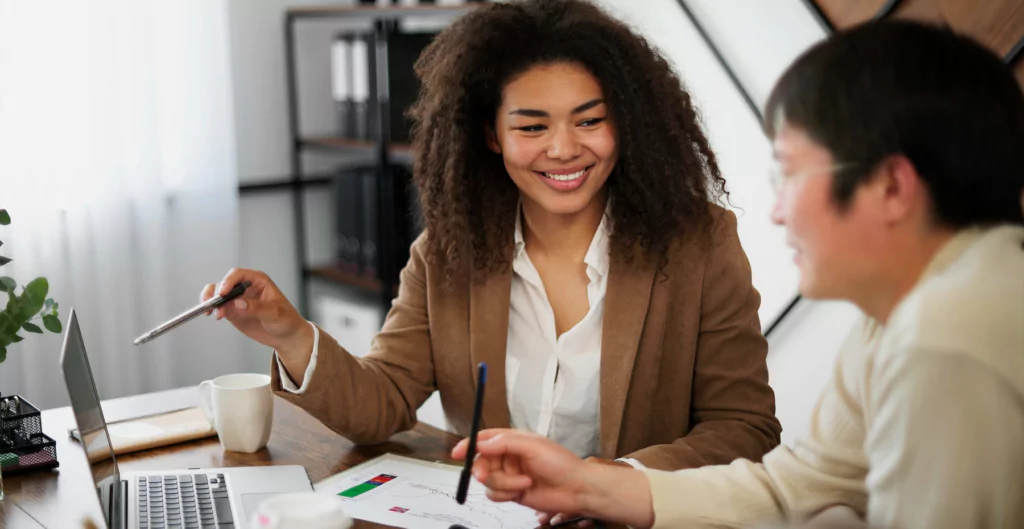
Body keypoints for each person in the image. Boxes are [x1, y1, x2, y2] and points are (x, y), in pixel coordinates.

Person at [453, 19, 1024, 529]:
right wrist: (584, 485)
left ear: (891, 187)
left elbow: (755, 441)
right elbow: (798, 486)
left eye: (790, 174)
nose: (776, 211)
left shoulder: (945, 334)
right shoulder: (907, 315)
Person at [201, 0, 781, 472]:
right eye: (532, 126)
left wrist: (613, 483)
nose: (563, 149)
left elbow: (744, 424)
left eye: (589, 120)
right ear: (492, 136)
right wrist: (290, 333)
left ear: (625, 123)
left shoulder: (699, 242)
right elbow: (384, 402)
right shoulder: (448, 253)